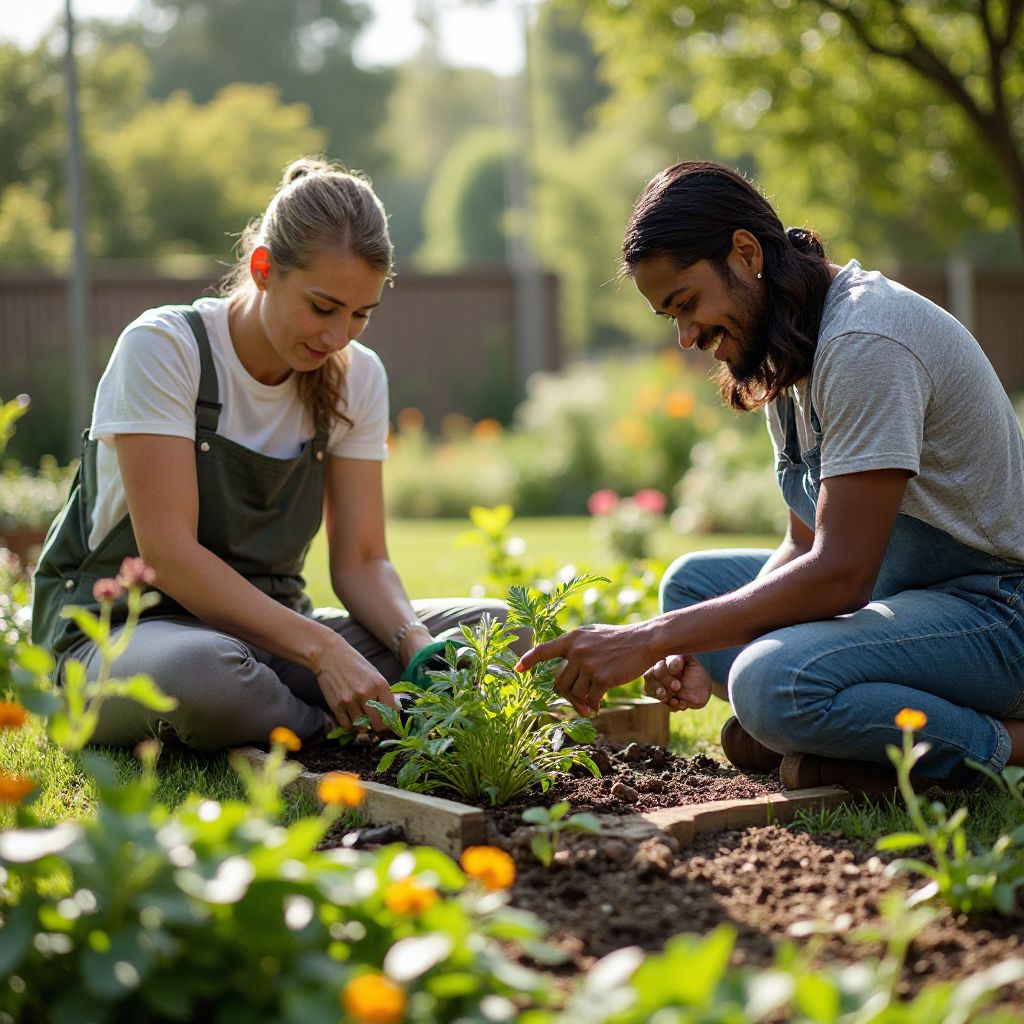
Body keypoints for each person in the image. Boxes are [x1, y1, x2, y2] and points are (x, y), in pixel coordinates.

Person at [517, 160, 1024, 792]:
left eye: (687, 303)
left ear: (746, 252)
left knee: (767, 683)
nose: (686, 336)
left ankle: (1004, 745)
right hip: (901, 593)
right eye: (671, 317)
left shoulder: (866, 341)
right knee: (690, 588)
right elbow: (803, 543)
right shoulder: (788, 346)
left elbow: (840, 576)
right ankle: (843, 743)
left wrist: (647, 640)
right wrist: (687, 639)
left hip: (996, 612)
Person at [32, 157, 506, 751]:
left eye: (360, 314)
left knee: (493, 629)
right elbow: (169, 556)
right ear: (263, 269)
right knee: (206, 674)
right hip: (124, 637)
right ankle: (338, 731)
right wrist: (325, 650)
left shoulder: (357, 375)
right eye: (323, 307)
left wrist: (415, 643)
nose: (338, 336)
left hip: (273, 640)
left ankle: (322, 712)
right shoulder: (165, 347)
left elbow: (361, 560)